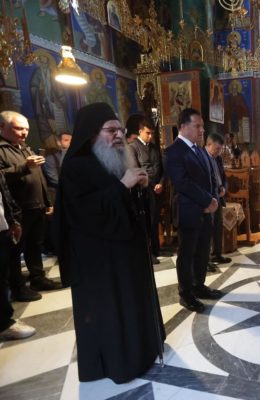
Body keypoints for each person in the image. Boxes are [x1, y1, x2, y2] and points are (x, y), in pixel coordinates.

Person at [53, 103, 164, 383]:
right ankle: (120, 363)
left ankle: (142, 351)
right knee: (113, 312)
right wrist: (123, 185)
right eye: (110, 130)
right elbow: (83, 212)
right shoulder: (76, 166)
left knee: (132, 304)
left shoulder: (116, 158)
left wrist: (138, 189)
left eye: (120, 130)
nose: (118, 135)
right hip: (100, 260)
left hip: (126, 251)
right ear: (91, 133)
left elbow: (123, 203)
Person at [164, 108, 223, 313]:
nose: (202, 130)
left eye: (202, 126)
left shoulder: (199, 150)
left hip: (205, 211)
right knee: (187, 254)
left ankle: (199, 285)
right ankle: (186, 294)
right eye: (197, 126)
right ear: (183, 126)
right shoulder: (173, 151)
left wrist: (213, 199)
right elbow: (182, 183)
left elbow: (209, 178)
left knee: (202, 251)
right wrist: (207, 200)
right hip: (189, 211)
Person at [0, 111, 61, 302]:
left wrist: (47, 201)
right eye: (19, 128)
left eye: (26, 129)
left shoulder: (24, 147)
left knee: (35, 245)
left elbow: (38, 177)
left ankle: (38, 278)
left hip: (36, 205)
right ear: (2, 127)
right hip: (18, 209)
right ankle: (17, 287)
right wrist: (24, 166)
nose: (24, 133)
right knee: (15, 250)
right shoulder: (2, 149)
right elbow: (1, 178)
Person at [0, 171, 36, 341]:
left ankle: (4, 321)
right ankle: (3, 323)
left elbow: (3, 192)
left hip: (2, 226)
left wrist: (13, 219)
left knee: (2, 275)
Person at [126, 115, 163, 264]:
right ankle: (148, 252)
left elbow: (161, 168)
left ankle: (156, 249)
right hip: (143, 191)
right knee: (146, 222)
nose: (150, 136)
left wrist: (161, 183)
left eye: (152, 133)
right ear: (140, 131)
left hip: (157, 189)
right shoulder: (132, 147)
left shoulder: (154, 148)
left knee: (154, 220)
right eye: (148, 133)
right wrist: (151, 184)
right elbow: (135, 170)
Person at [42, 131, 72, 254]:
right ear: (59, 142)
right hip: (56, 194)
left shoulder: (74, 156)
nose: (70, 143)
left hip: (69, 193)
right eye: (66, 140)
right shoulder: (51, 158)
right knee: (57, 222)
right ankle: (56, 248)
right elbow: (53, 178)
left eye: (71, 140)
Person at [205, 133, 231, 267]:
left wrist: (224, 188)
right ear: (208, 145)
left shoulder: (218, 159)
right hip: (209, 198)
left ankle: (217, 254)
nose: (219, 152)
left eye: (220, 149)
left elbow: (223, 177)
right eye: (217, 149)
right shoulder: (203, 158)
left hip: (219, 197)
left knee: (217, 227)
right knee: (207, 229)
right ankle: (206, 260)